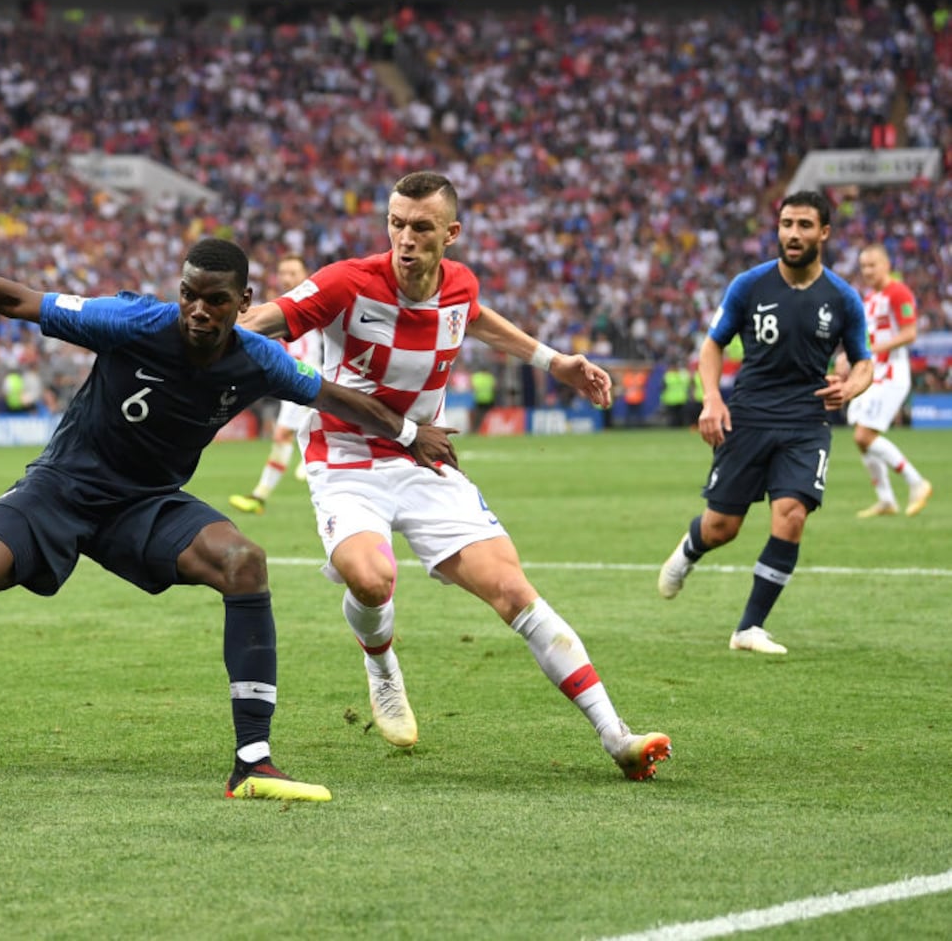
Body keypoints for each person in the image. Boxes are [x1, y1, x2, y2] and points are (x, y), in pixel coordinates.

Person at [0, 202, 458, 802]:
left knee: (244, 563)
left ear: (244, 302)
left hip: (144, 504)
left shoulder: (261, 359)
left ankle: (252, 763)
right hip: (61, 487)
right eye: (189, 297)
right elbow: (16, 299)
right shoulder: (133, 321)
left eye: (216, 301)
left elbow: (336, 396)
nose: (198, 311)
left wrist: (410, 435)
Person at [239, 171, 671, 781]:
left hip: (424, 460)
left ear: (451, 233)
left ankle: (617, 736)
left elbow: (475, 316)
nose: (405, 238)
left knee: (514, 592)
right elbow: (267, 319)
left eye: (420, 227)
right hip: (347, 458)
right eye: (395, 224)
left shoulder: (459, 284)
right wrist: (199, 330)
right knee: (371, 578)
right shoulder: (346, 281)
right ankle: (382, 666)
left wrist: (557, 363)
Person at [657, 191, 873, 655]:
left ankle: (749, 628)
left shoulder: (842, 298)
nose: (793, 234)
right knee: (722, 528)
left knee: (791, 515)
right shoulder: (749, 286)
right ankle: (690, 550)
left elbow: (864, 363)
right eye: (787, 224)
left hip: (807, 419)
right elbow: (713, 346)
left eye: (804, 225)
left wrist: (851, 388)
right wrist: (712, 399)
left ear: (824, 233)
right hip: (749, 415)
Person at [229, 254, 324, 514]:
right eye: (283, 272)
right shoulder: (279, 307)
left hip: (309, 377)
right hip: (290, 380)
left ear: (305, 275)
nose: (287, 278)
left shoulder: (319, 301)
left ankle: (308, 463)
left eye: (293, 272)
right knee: (282, 436)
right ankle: (260, 497)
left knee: (289, 433)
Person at [846, 245, 932, 518]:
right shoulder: (870, 298)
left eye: (873, 265)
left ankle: (916, 482)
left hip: (892, 375)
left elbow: (910, 333)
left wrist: (876, 348)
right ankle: (886, 499)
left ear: (886, 265)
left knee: (864, 435)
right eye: (864, 266)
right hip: (873, 374)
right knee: (861, 439)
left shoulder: (898, 293)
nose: (867, 271)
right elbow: (866, 338)